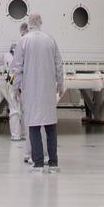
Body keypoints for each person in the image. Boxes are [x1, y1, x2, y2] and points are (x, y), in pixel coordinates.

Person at [13, 12, 63, 172]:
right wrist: (60, 83)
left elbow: (17, 67)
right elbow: (58, 64)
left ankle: (39, 163)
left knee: (33, 125)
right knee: (50, 126)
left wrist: (15, 87)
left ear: (29, 23)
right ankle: (54, 163)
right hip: (48, 89)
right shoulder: (50, 39)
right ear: (41, 22)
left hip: (31, 89)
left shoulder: (24, 41)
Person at [5, 21, 28, 142]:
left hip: (13, 78)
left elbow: (14, 68)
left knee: (14, 108)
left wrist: (15, 86)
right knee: (24, 109)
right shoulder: (30, 44)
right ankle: (23, 134)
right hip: (24, 79)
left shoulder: (20, 44)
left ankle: (16, 135)